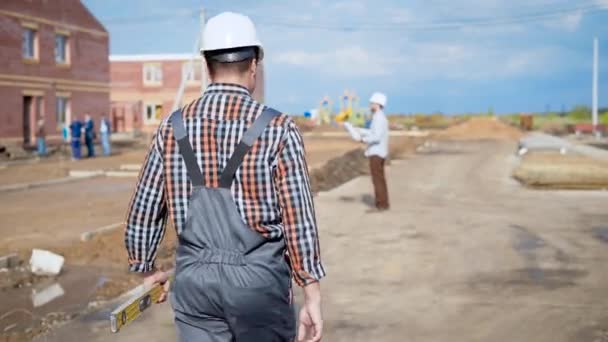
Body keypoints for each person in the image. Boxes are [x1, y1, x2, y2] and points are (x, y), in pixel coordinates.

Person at [125, 12, 324, 342]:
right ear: (254, 65)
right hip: (259, 290)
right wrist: (312, 293)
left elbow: (142, 212)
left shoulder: (172, 128)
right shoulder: (278, 128)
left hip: (194, 288)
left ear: (206, 65)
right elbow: (298, 219)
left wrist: (147, 268)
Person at [344, 92, 390, 211]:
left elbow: (376, 136)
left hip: (376, 153)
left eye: (372, 103)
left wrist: (362, 139)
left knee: (377, 179)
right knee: (380, 178)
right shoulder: (378, 117)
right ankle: (383, 203)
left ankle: (381, 205)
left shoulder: (379, 118)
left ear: (378, 104)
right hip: (378, 152)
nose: (370, 105)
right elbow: (373, 132)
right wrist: (360, 130)